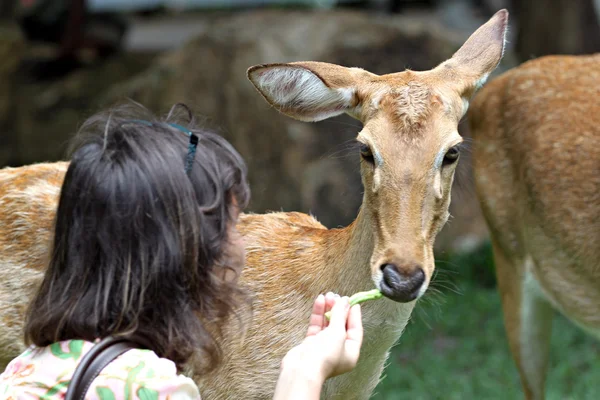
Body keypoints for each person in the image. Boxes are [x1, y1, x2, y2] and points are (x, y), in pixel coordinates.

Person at [0, 102, 363, 399]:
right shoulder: (150, 389)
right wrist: (306, 373)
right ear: (187, 255)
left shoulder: (25, 371)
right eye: (233, 224)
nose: (243, 242)